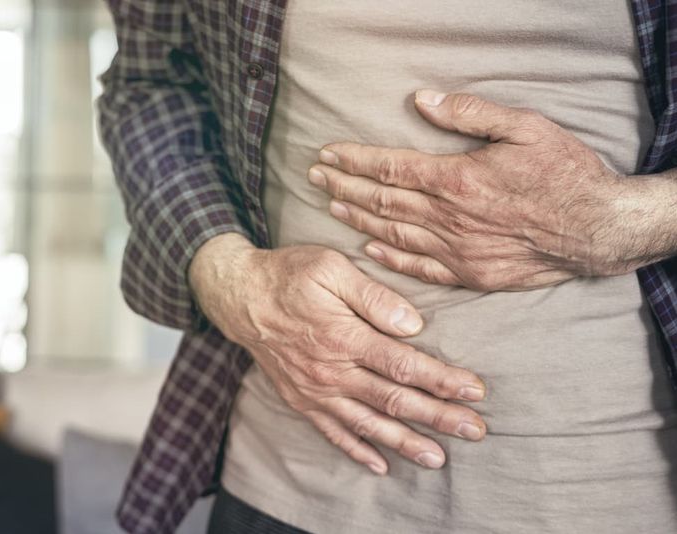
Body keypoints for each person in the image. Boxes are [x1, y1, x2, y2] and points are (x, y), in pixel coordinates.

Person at [98, 1, 677, 532]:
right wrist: (227, 275)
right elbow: (152, 83)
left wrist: (633, 219)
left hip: (613, 494)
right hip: (284, 485)